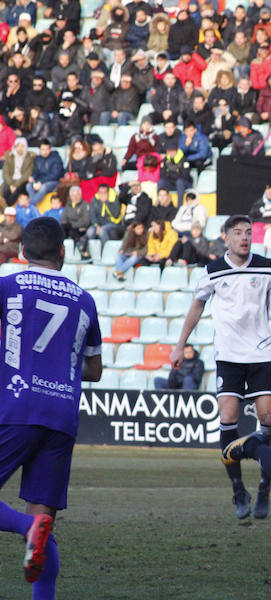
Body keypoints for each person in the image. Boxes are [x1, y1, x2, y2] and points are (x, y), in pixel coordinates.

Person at [0, 216, 102, 600]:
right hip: (62, 414)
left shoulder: (7, 286)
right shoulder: (85, 300)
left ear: (23, 251)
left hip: (16, 406)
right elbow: (94, 369)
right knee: (45, 525)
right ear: (63, 252)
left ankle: (25, 526)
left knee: (33, 526)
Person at [171, 215, 271, 520]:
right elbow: (197, 305)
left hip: (262, 353)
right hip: (228, 355)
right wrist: (179, 344)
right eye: (237, 233)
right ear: (225, 238)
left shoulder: (267, 266)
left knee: (268, 419)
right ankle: (238, 489)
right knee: (228, 418)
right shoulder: (212, 271)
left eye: (248, 233)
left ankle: (265, 482)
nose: (244, 237)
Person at [26, 141, 64, 207]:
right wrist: (33, 177)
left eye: (47, 149)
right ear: (39, 150)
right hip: (40, 181)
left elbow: (55, 175)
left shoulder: (56, 158)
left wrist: (41, 182)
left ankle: (31, 205)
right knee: (28, 186)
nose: (45, 151)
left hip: (53, 181)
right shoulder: (38, 159)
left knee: (44, 187)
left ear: (50, 149)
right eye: (43, 149)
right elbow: (35, 172)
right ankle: (33, 204)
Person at [60, 187, 90, 260]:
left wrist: (72, 225)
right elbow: (63, 220)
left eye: (77, 195)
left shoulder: (85, 204)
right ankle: (82, 250)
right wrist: (70, 225)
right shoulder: (68, 205)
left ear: (80, 195)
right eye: (73, 195)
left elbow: (86, 221)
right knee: (62, 228)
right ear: (70, 196)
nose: (75, 197)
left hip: (81, 229)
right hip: (69, 230)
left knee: (69, 229)